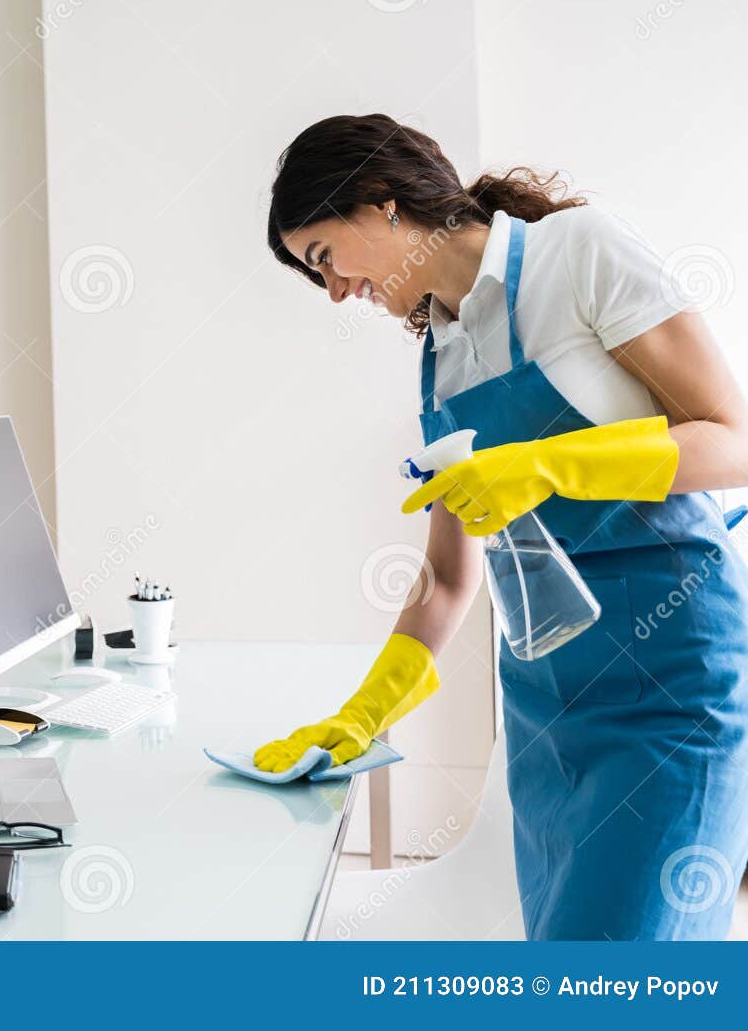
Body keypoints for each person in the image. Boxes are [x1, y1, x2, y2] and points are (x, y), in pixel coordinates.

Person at [259, 114, 748, 939]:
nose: (336, 291)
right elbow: (449, 576)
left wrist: (553, 465)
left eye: (325, 259)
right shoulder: (440, 360)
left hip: (673, 689)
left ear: (382, 205)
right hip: (547, 716)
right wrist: (365, 711)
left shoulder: (577, 253)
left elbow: (731, 437)